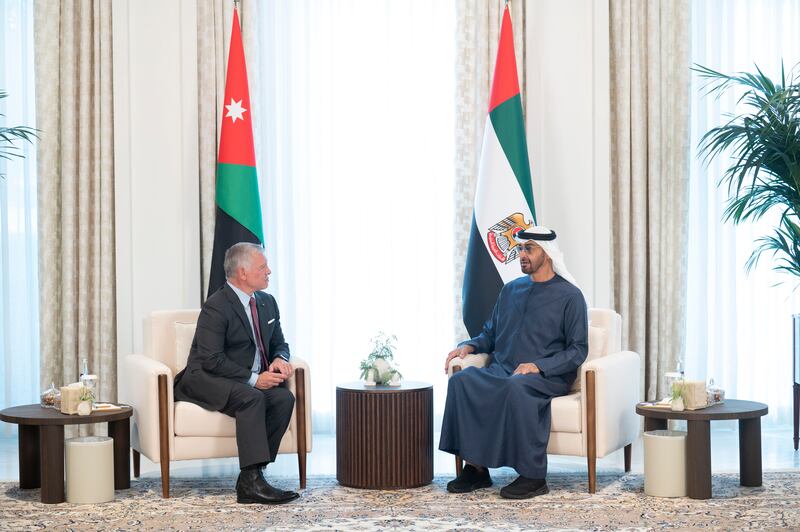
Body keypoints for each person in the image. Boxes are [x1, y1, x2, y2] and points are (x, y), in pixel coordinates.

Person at [439, 226, 588, 499]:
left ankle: (533, 476)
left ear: (548, 253)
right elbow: (490, 334)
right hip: (503, 370)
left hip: (546, 377)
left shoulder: (571, 296)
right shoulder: (510, 290)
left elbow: (578, 351)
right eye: (519, 249)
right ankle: (476, 469)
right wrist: (468, 346)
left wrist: (539, 366)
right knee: (461, 381)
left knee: (516, 387)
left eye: (528, 248)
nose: (521, 254)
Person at [174, 242, 299, 504]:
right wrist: (255, 379)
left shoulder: (267, 303)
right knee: (252, 396)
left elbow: (280, 343)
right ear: (242, 272)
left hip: (236, 378)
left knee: (283, 398)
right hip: (204, 377)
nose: (269, 271)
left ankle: (252, 477)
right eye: (262, 266)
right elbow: (211, 359)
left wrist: (279, 358)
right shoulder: (217, 306)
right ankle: (252, 482)